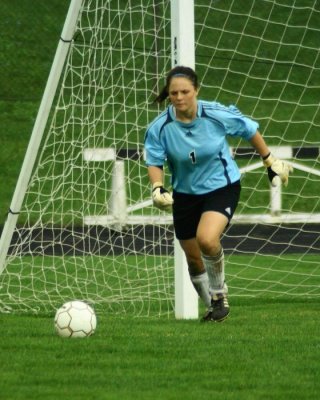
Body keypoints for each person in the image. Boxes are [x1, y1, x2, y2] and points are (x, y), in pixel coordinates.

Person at [144, 66, 292, 322]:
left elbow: (249, 128)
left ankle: (219, 294)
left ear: (196, 91)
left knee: (207, 239)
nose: (179, 98)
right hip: (185, 194)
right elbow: (154, 160)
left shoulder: (214, 114)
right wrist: (157, 188)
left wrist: (269, 160)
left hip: (221, 187)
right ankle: (213, 307)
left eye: (185, 92)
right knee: (193, 258)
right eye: (174, 93)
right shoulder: (160, 127)